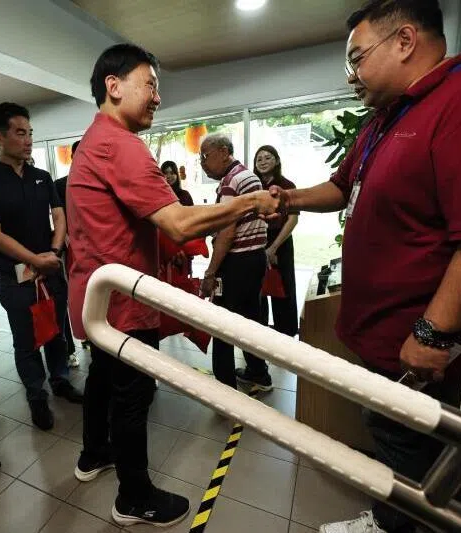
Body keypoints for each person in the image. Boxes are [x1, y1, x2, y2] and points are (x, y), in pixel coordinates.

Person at [268, 2, 461, 532]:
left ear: (404, 41)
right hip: (381, 336)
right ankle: (392, 520)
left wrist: (431, 332)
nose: (352, 75)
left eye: (357, 58)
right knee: (395, 443)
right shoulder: (388, 117)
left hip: (421, 344)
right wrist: (286, 200)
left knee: (421, 457)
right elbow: (340, 187)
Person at [66, 43, 279, 528]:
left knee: (103, 380)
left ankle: (93, 454)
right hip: (120, 304)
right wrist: (250, 203)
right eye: (151, 84)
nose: (158, 96)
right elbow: (180, 224)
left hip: (99, 299)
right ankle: (133, 498)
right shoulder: (118, 144)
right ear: (113, 86)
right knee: (132, 397)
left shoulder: (95, 140)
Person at [0, 102, 83, 432]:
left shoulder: (41, 177)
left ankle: (60, 381)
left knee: (57, 331)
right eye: (20, 133)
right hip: (14, 278)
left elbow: (59, 215)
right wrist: (36, 260)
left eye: (30, 133)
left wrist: (54, 251)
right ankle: (36, 394)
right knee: (26, 339)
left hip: (51, 268)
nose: (28, 139)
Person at [199, 134, 273, 391]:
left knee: (221, 325)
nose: (203, 164)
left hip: (237, 262)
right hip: (253, 259)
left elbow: (227, 233)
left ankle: (224, 388)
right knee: (250, 320)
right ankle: (258, 373)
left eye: (205, 156)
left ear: (223, 151)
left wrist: (210, 272)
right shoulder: (247, 176)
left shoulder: (232, 182)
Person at [253, 145, 299, 338]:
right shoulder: (254, 186)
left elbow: (293, 218)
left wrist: (273, 248)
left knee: (284, 290)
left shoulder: (287, 185)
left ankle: (286, 335)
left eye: (267, 158)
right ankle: (260, 334)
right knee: (258, 291)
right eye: (259, 159)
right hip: (257, 243)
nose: (263, 162)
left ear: (277, 161)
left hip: (280, 242)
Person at [54, 140, 81, 368]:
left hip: (94, 251)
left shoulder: (99, 181)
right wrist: (63, 239)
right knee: (67, 298)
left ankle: (93, 337)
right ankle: (69, 349)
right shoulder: (59, 184)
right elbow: (57, 217)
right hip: (67, 250)